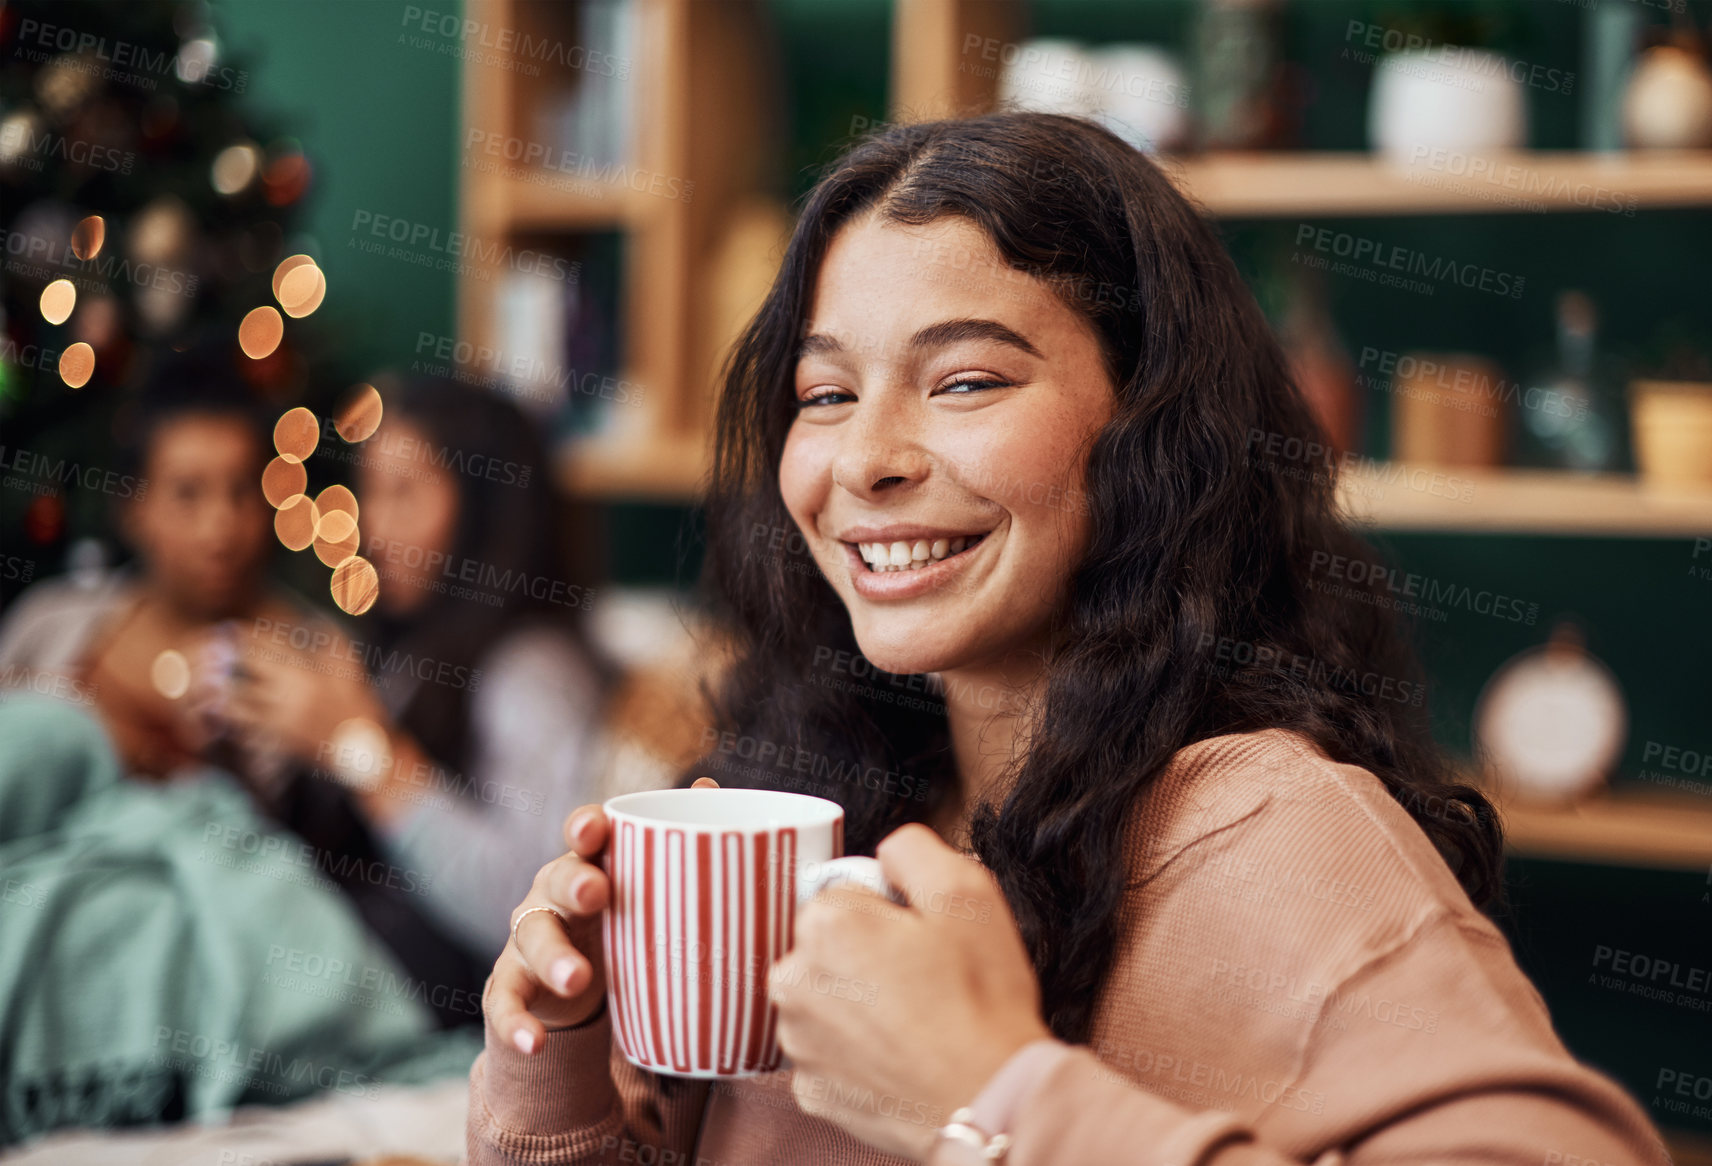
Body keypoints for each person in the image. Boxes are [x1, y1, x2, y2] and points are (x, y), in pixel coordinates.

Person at [465, 114, 1669, 1165]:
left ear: (1149, 427)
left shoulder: (1264, 826)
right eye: (824, 394)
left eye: (966, 381)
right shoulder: (823, 797)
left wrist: (989, 1097)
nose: (865, 459)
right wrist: (556, 1067)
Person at [221, 376, 616, 1008]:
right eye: (370, 490)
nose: (374, 526)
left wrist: (361, 748)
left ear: (487, 507)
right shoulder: (409, 642)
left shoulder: (534, 670)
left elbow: (529, 903)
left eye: (404, 492)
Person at [0, 341, 321, 788]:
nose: (220, 530)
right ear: (134, 508)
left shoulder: (317, 659)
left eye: (242, 490)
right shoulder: (49, 626)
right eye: (188, 494)